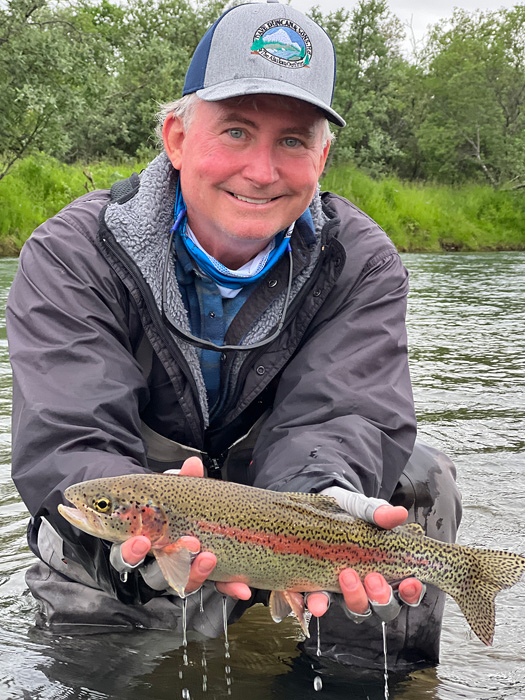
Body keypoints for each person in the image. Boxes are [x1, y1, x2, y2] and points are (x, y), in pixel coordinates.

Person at [7, 0, 461, 672]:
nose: (261, 170)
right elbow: (69, 437)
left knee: (421, 478)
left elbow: (344, 412)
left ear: (322, 156)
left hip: (280, 517)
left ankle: (353, 679)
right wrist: (141, 551)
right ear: (176, 137)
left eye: (292, 141)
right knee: (90, 635)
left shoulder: (359, 259)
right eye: (237, 131)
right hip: (141, 531)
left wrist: (326, 503)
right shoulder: (73, 254)